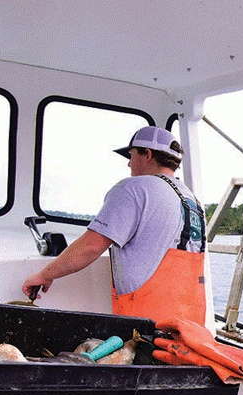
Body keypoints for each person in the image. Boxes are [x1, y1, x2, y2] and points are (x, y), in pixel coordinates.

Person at [22, 126, 207, 324]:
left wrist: (45, 275)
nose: (129, 164)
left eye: (131, 155)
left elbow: (91, 246)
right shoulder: (192, 200)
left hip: (147, 323)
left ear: (148, 155)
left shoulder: (133, 188)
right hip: (190, 323)